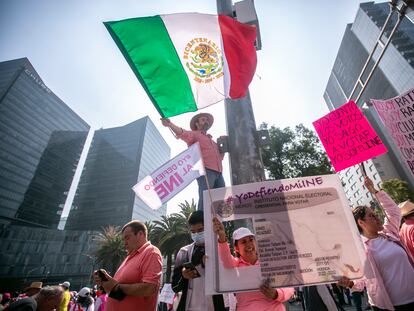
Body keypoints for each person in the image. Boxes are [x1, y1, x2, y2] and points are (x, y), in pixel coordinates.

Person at [339, 177, 414, 311]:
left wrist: (374, 191)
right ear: (361, 223)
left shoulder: (389, 233)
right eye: (371, 216)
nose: (377, 218)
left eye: (375, 214)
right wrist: (349, 283)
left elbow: (394, 211)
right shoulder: (360, 249)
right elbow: (360, 283)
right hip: (390, 306)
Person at [213, 218, 294, 311]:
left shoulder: (270, 263)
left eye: (251, 240)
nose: (249, 244)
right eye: (243, 242)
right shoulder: (235, 266)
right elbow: (226, 259)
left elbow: (289, 287)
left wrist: (276, 294)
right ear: (236, 248)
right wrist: (222, 238)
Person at [94, 220, 162, 311]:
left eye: (127, 238)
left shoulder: (151, 252)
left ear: (140, 234)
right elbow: (119, 292)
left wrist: (116, 286)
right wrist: (106, 283)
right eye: (123, 239)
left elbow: (149, 288)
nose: (125, 242)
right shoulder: (129, 257)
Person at [161, 113, 225, 210]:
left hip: (219, 173)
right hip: (206, 171)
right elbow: (182, 133)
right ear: (197, 124)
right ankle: (201, 224)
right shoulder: (195, 134)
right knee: (205, 200)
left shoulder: (213, 141)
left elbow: (220, 158)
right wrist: (170, 124)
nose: (206, 121)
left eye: (207, 120)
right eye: (203, 119)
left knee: (221, 201)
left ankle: (218, 224)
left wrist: (223, 148)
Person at [172, 210, 225, 311]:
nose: (196, 234)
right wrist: (183, 276)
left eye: (200, 230)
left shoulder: (219, 248)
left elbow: (228, 276)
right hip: (189, 306)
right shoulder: (184, 252)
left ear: (209, 227)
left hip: (214, 305)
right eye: (193, 232)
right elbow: (175, 286)